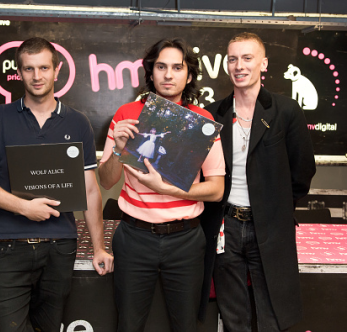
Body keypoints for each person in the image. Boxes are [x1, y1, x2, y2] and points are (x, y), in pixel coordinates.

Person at [0, 37, 114, 332]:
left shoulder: (77, 122)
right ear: (18, 72)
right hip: (9, 247)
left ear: (57, 71)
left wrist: (99, 247)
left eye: (44, 67)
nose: (37, 76)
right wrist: (24, 207)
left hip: (60, 249)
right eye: (29, 69)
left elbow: (90, 190)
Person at [98, 38, 225, 332]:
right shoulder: (125, 114)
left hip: (186, 240)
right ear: (151, 73)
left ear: (189, 75)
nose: (168, 74)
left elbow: (216, 189)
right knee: (128, 324)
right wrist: (118, 149)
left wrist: (169, 189)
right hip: (134, 237)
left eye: (177, 68)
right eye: (161, 67)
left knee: (185, 325)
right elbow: (107, 181)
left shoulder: (201, 121)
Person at [204, 32, 316, 331]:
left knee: (273, 315)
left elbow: (302, 172)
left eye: (247, 58)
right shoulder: (214, 113)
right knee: (233, 316)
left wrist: (274, 208)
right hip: (225, 226)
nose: (239, 65)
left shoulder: (286, 111)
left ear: (263, 63)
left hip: (270, 227)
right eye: (232, 59)